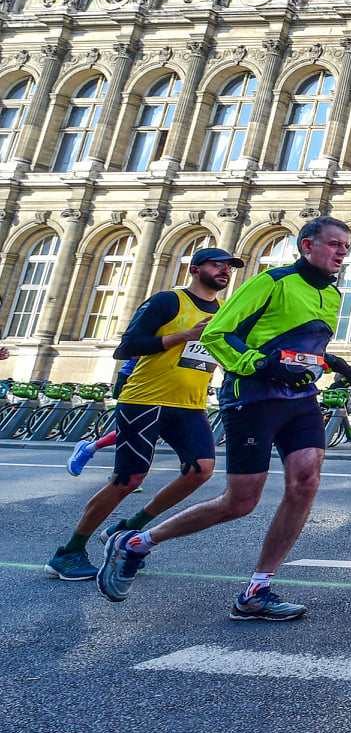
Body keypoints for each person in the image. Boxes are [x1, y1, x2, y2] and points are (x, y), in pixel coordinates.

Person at [98, 218, 351, 620]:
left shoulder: (334, 296)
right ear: (307, 245)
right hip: (252, 398)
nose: (342, 252)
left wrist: (331, 362)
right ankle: (135, 544)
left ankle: (257, 590)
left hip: (300, 399)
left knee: (305, 481)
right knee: (240, 503)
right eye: (335, 245)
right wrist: (259, 365)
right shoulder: (272, 282)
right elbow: (218, 334)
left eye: (346, 247)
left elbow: (294, 350)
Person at [45, 248, 238, 581]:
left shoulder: (224, 311)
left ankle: (126, 529)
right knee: (128, 481)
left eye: (229, 267)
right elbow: (128, 346)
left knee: (200, 471)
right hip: (145, 400)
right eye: (217, 264)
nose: (225, 270)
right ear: (195, 269)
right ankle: (69, 552)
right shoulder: (168, 301)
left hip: (190, 404)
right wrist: (186, 336)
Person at [65, 355, 138, 476]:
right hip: (134, 378)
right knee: (132, 429)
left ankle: (126, 472)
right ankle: (90, 450)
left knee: (141, 430)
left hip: (164, 384)